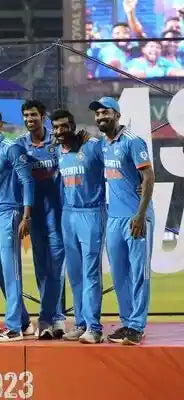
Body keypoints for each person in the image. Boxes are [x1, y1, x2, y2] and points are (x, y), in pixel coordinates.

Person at [90, 97, 154, 345]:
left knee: (139, 274)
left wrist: (140, 215)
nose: (100, 117)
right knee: (119, 275)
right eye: (97, 114)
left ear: (116, 114)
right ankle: (127, 323)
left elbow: (148, 178)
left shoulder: (132, 141)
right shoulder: (103, 145)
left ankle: (137, 326)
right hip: (114, 218)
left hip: (136, 217)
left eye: (105, 112)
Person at [0, 107, 34, 343]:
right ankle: (23, 321)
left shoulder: (11, 148)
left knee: (11, 271)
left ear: (0, 125)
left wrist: (26, 216)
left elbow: (27, 180)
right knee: (2, 272)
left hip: (10, 212)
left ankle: (13, 328)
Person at [51, 109, 105, 344]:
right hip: (68, 215)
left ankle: (94, 327)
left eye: (64, 126)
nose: (60, 131)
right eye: (56, 127)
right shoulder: (58, 152)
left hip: (91, 213)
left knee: (90, 272)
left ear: (73, 126)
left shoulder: (92, 146)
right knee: (74, 273)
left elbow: (116, 160)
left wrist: (136, 185)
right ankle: (81, 323)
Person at [16, 100, 65, 339]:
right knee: (41, 268)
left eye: (33, 114)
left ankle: (52, 318)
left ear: (43, 116)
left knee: (56, 268)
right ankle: (53, 318)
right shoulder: (19, 145)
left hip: (57, 213)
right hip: (34, 217)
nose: (29, 119)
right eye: (26, 115)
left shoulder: (57, 143)